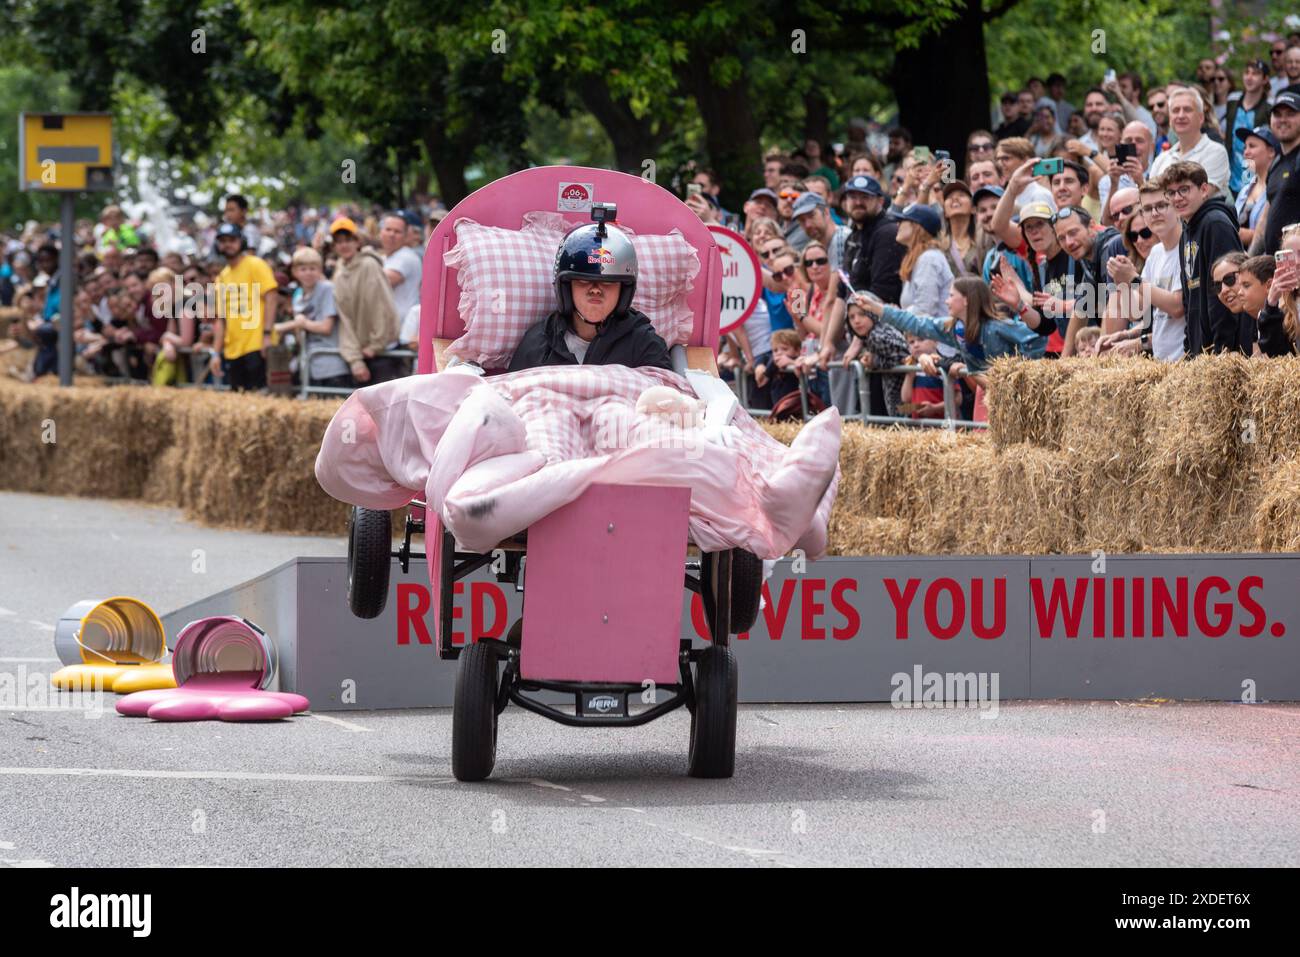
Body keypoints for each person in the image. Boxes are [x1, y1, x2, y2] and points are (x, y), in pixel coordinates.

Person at [508, 213, 671, 372]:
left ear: (624, 290)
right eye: (583, 280)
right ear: (566, 287)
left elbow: (664, 396)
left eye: (608, 282)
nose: (595, 289)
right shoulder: (539, 343)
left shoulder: (644, 344)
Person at [1097, 182, 1185, 361]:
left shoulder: (1188, 248)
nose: (1154, 213)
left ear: (1176, 207)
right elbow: (1137, 311)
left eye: (1161, 205)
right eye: (1147, 208)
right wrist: (1122, 281)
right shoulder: (1156, 253)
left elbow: (1177, 307)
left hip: (1186, 359)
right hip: (1162, 363)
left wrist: (1133, 279)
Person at [1163, 161, 1244, 356]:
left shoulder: (1216, 224)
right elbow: (1189, 300)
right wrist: (1190, 350)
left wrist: (1221, 350)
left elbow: (1227, 291)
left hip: (1223, 352)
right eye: (1171, 193)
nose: (1177, 198)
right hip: (1201, 355)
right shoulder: (1186, 232)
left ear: (1204, 189)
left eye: (1184, 190)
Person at [329, 217, 402, 384]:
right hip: (362, 353)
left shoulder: (369, 265)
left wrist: (376, 345)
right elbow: (344, 319)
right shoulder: (339, 274)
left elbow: (380, 307)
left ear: (357, 242)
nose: (344, 245)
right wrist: (355, 358)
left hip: (382, 351)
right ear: (334, 246)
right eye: (339, 242)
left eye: (348, 240)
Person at [210, 222, 278, 391]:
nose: (228, 244)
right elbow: (220, 319)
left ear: (242, 241)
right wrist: (215, 353)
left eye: (232, 239)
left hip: (256, 345)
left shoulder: (255, 264)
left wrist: (267, 335)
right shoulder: (221, 277)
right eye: (223, 240)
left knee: (261, 398)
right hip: (232, 350)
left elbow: (272, 297)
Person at [273, 247, 351, 391]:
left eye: (312, 268)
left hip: (331, 364)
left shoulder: (327, 289)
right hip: (309, 364)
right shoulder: (298, 295)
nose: (308, 273)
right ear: (295, 272)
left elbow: (326, 327)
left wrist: (301, 323)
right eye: (303, 269)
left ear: (320, 269)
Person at [1148, 87, 1231, 194]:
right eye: (1175, 110)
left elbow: (1199, 197)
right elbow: (1151, 198)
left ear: (1201, 117)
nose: (1181, 115)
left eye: (1187, 109)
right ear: (1170, 119)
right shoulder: (1161, 159)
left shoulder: (1215, 152)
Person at [840, 298, 909, 416]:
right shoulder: (875, 332)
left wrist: (875, 361)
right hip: (896, 387)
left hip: (901, 388)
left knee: (902, 419)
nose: (856, 321)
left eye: (862, 314)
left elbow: (903, 357)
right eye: (851, 317)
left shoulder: (875, 336)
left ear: (872, 313)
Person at [895, 203, 953, 320]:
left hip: (935, 337)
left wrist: (895, 315)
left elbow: (925, 310)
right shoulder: (921, 257)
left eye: (902, 221)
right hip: (923, 336)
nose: (898, 225)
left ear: (917, 226)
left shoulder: (929, 259)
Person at [1226, 60, 1273, 194]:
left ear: (1265, 79)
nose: (1249, 77)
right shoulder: (1232, 100)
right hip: (1231, 169)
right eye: (1247, 72)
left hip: (1254, 168)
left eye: (1255, 73)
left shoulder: (1269, 107)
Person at [1263, 92, 1300, 255]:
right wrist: (1250, 258)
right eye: (1277, 114)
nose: (1283, 120)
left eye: (1290, 114)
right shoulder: (1275, 164)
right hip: (1275, 266)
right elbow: (1265, 220)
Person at [1234, 125, 1278, 248]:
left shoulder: (1278, 187)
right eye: (1245, 147)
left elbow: (1275, 232)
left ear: (1271, 151)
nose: (1246, 152)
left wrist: (1245, 234)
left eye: (1252, 146)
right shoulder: (1245, 188)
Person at [379, 213, 423, 320]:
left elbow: (378, 283)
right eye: (388, 229)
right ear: (380, 232)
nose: (391, 234)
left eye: (397, 231)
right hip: (392, 325)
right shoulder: (386, 257)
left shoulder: (406, 256)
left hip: (402, 327)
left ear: (405, 236)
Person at [792, 193, 849, 272]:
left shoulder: (840, 238)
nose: (807, 225)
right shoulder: (823, 245)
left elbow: (837, 283)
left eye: (811, 216)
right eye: (802, 220)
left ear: (826, 212)